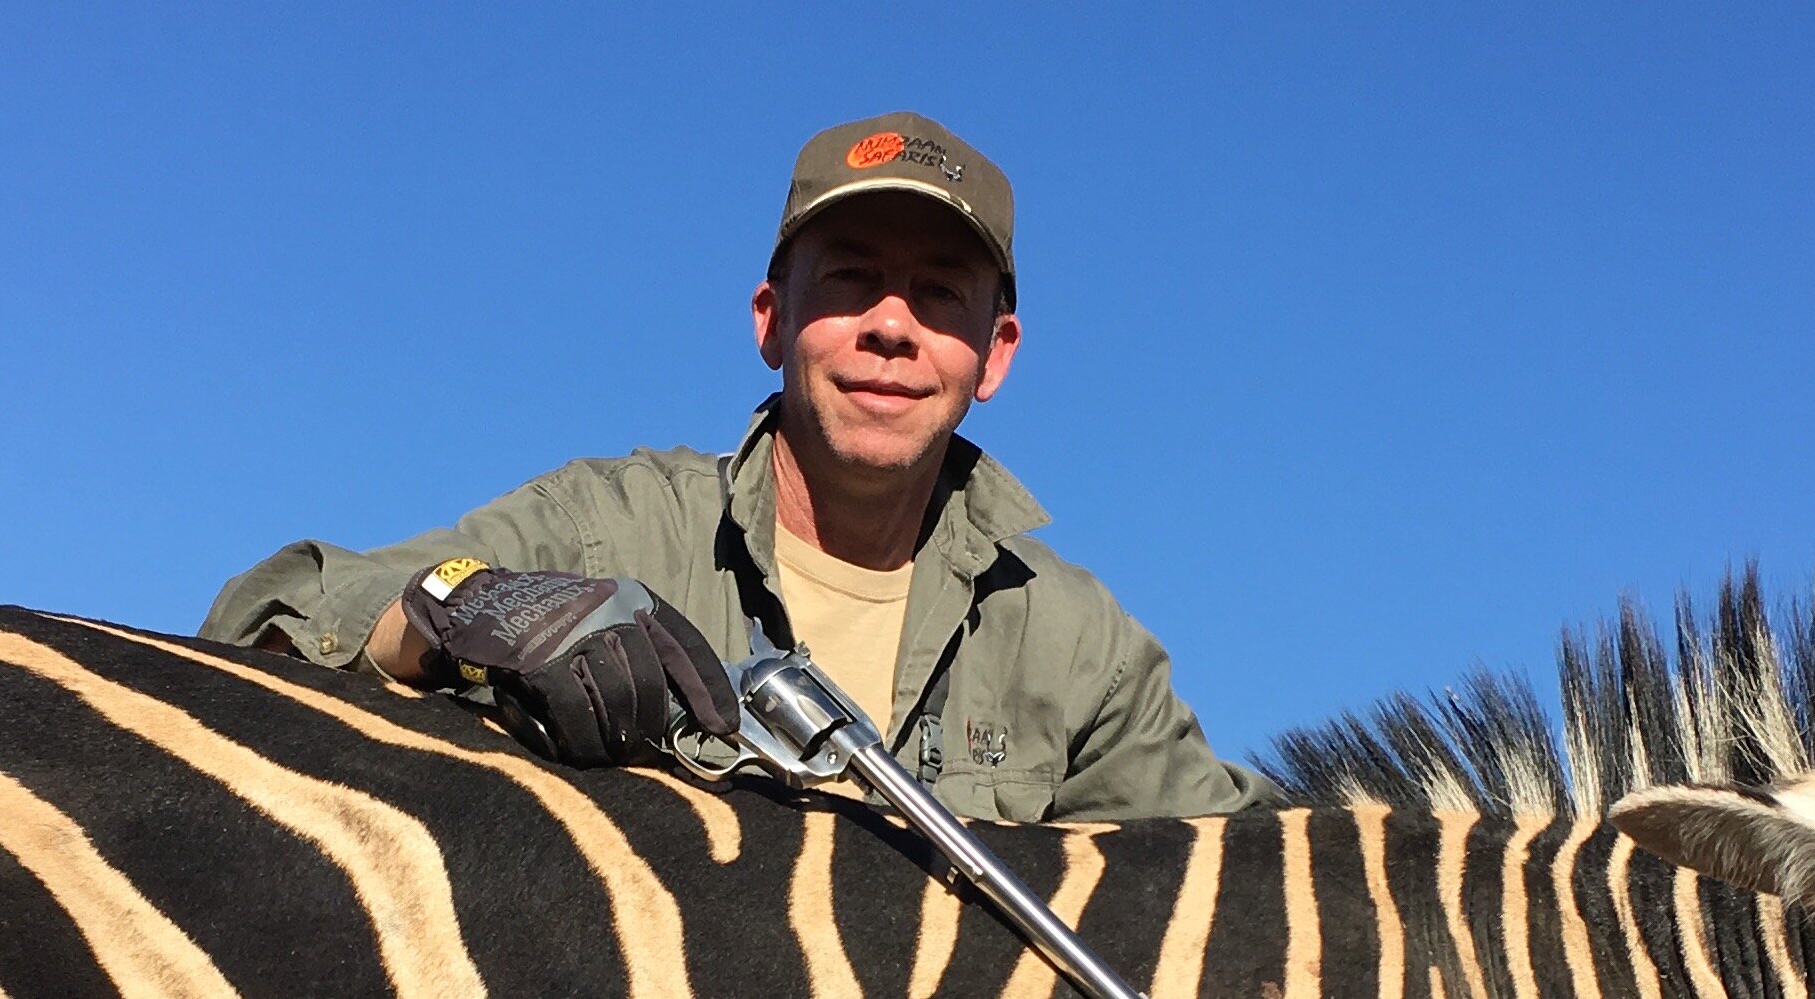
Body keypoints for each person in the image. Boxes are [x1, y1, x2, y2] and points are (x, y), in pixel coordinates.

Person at [204, 113, 1272, 823]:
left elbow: (1249, 872)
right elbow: (273, 616)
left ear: (993, 355)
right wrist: (471, 607)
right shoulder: (608, 524)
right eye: (850, 282)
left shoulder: (1081, 649)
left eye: (941, 294)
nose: (891, 329)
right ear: (774, 322)